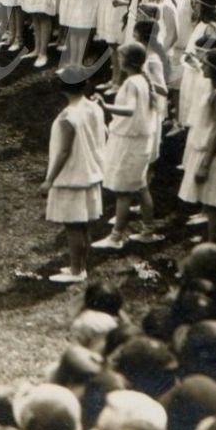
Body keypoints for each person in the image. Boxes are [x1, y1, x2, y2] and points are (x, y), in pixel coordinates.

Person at [42, 65, 106, 284]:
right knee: (83, 223)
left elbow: (64, 151)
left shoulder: (68, 117)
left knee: (73, 226)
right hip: (90, 171)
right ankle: (79, 266)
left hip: (72, 176)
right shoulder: (94, 108)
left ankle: (77, 271)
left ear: (63, 88)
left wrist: (49, 180)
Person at [93, 42, 159, 251]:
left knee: (123, 192)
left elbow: (129, 110)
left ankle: (116, 237)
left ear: (128, 61)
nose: (118, 61)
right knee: (141, 187)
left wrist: (105, 106)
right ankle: (148, 231)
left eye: (121, 57)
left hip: (130, 142)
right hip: (141, 141)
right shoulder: (141, 80)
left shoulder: (132, 83)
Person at [177, 48, 216, 240]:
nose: (202, 66)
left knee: (214, 202)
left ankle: (213, 241)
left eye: (205, 64)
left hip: (213, 155)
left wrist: (205, 163)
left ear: (213, 68)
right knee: (210, 199)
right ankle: (212, 238)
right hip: (210, 152)